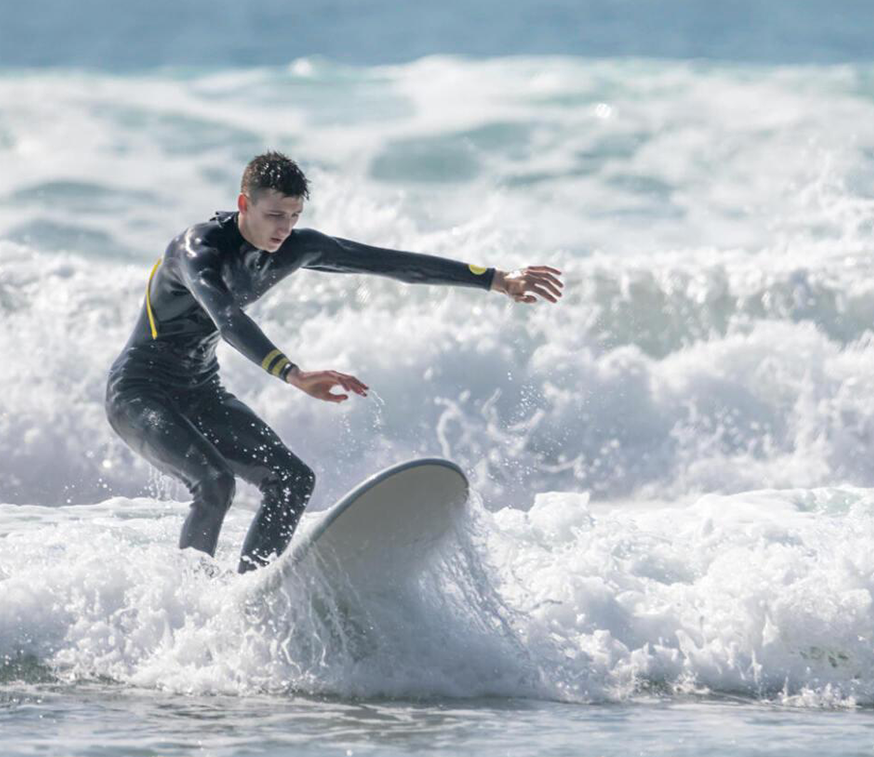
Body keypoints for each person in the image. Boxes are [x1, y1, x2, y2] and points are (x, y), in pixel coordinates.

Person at [106, 151, 563, 572]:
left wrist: (496, 280)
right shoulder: (196, 250)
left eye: (294, 216)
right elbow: (227, 318)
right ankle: (189, 597)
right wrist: (293, 373)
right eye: (274, 215)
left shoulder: (293, 248)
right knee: (214, 484)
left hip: (200, 390)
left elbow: (389, 263)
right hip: (140, 392)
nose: (284, 228)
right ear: (244, 204)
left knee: (292, 480)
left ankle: (253, 591)